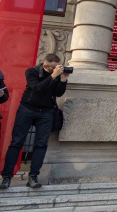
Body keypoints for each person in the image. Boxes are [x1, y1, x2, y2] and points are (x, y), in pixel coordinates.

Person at [0, 54, 69, 189]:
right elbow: (37, 88)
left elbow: (59, 93)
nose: (56, 69)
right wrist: (53, 76)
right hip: (27, 109)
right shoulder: (32, 72)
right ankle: (7, 177)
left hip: (46, 112)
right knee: (16, 142)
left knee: (41, 144)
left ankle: (33, 176)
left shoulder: (55, 75)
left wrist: (63, 80)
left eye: (57, 67)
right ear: (45, 65)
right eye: (53, 67)